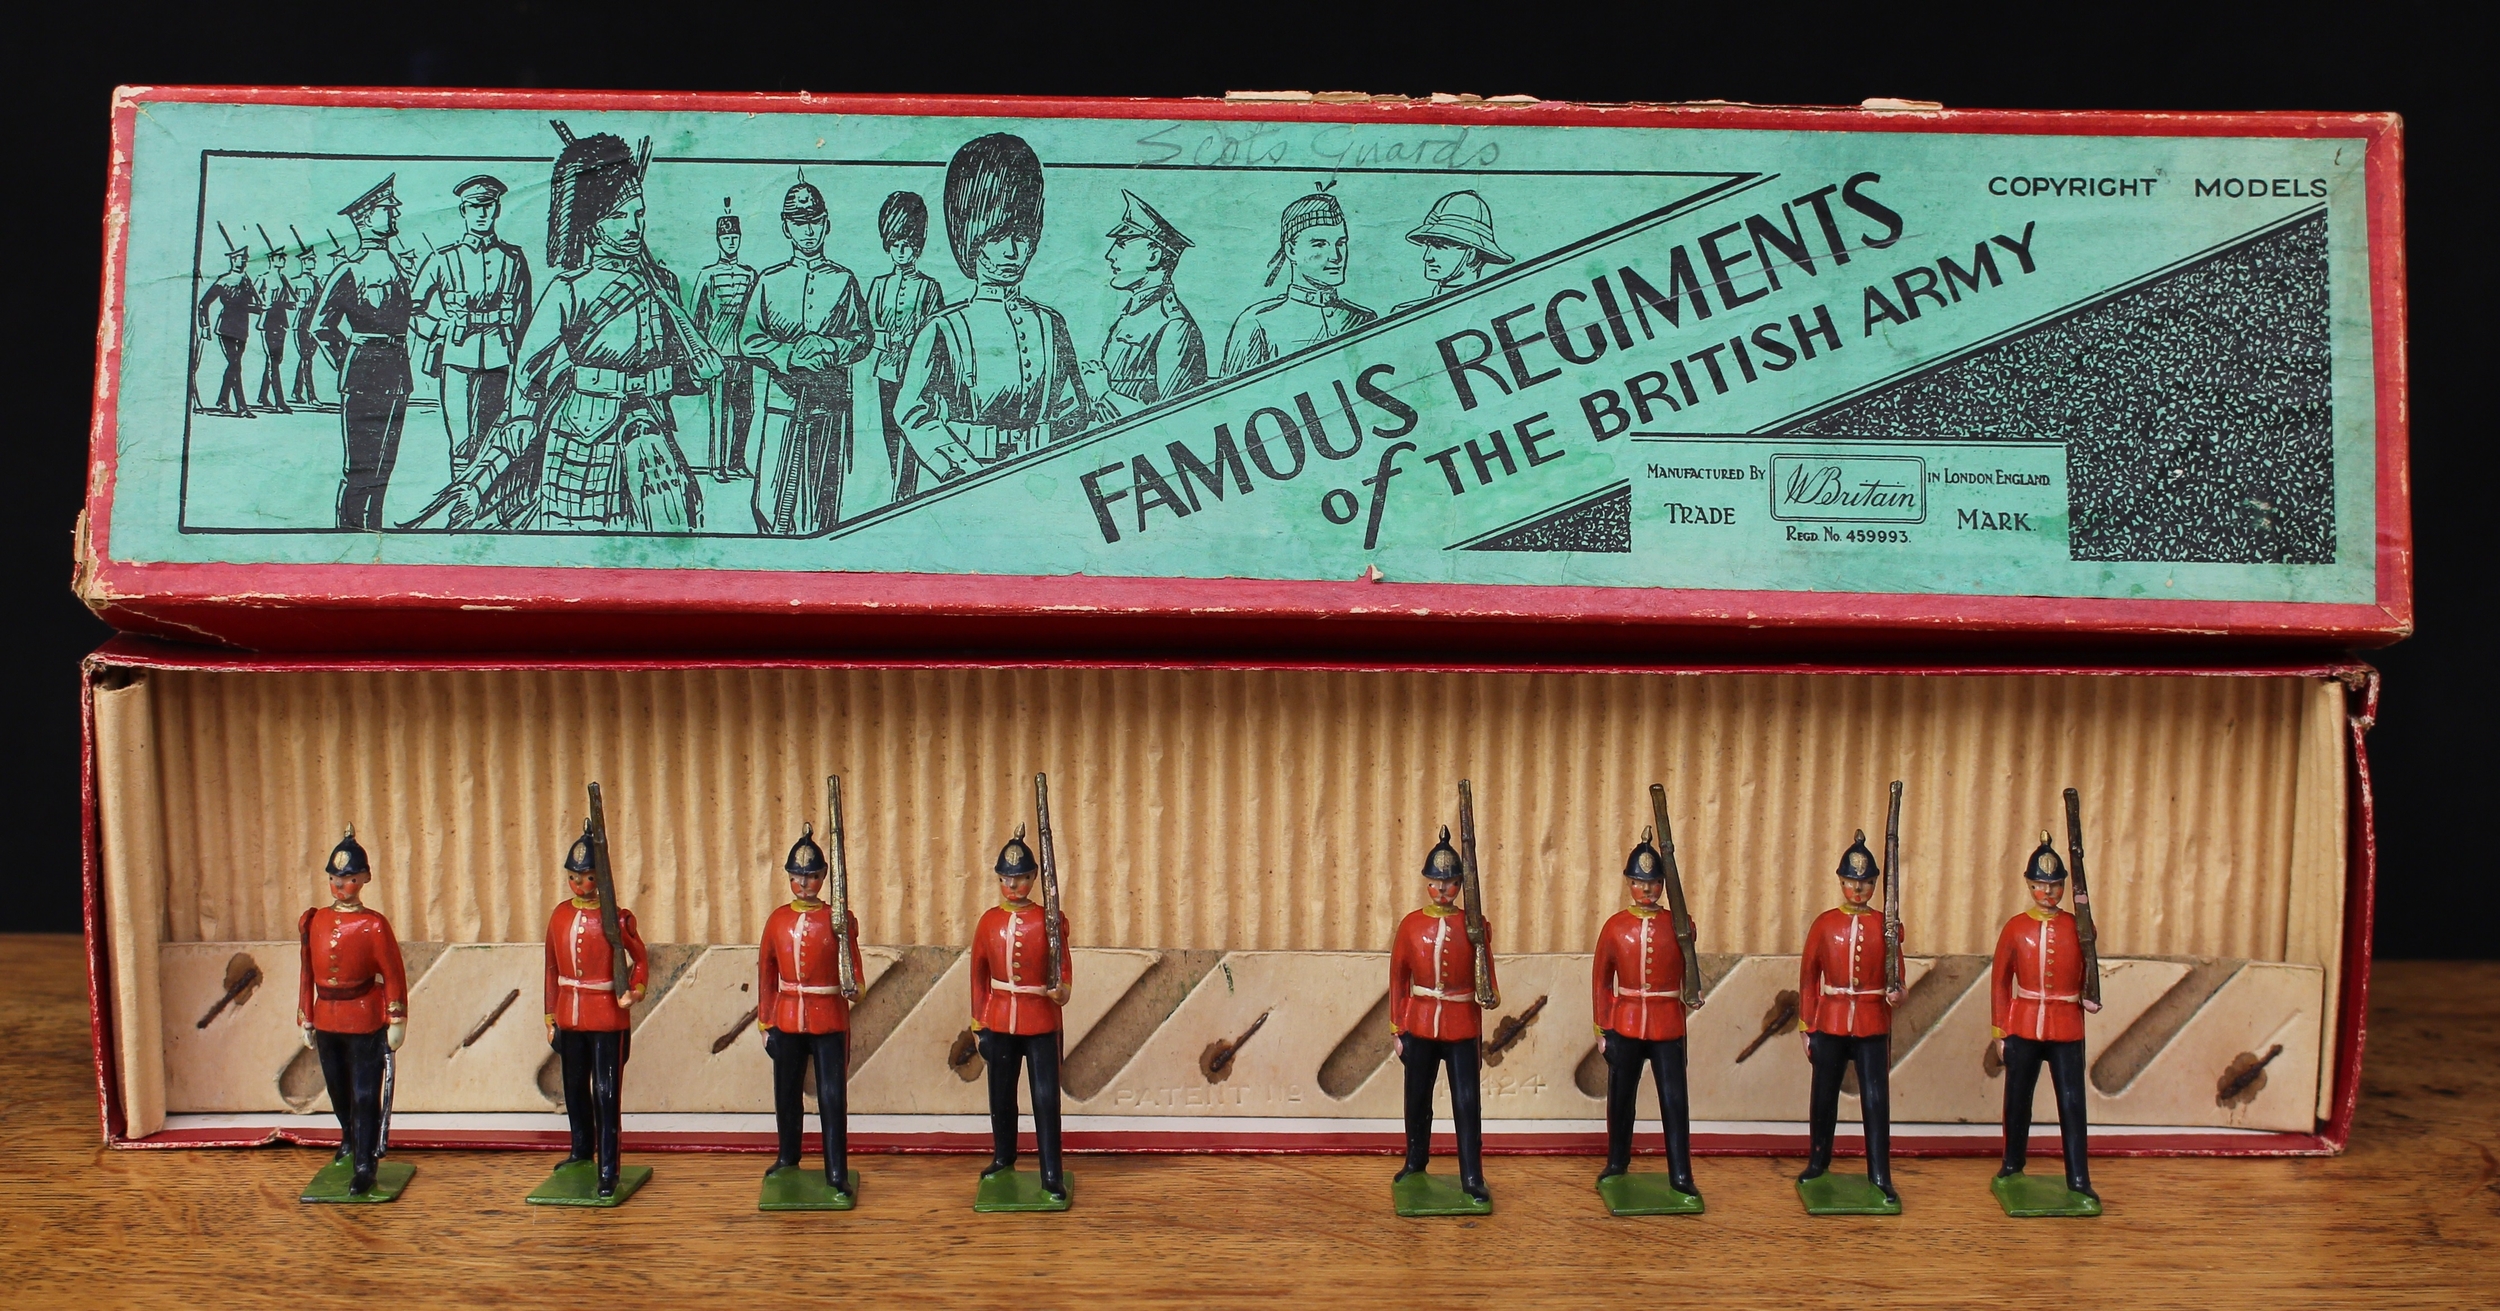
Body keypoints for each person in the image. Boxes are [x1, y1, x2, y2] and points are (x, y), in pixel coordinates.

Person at [451, 126, 720, 532]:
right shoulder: (568, 289)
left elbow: (679, 370)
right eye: (618, 217)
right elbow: (528, 377)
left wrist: (694, 375)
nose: (633, 228)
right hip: (582, 435)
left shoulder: (661, 284)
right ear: (591, 223)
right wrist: (517, 431)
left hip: (648, 429)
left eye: (638, 215)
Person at [895, 134, 1091, 482]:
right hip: (966, 477)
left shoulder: (1050, 323)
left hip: (1042, 477)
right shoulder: (944, 328)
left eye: (1023, 236)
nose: (1013, 252)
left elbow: (1074, 409)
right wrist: (956, 469)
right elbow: (912, 412)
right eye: (998, 237)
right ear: (972, 237)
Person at [744, 178, 871, 535]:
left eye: (814, 221)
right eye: (799, 223)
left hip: (827, 406)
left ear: (826, 223)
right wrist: (788, 355)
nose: (808, 231)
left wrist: (829, 346)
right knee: (770, 501)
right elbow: (749, 338)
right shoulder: (769, 280)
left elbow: (862, 337)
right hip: (782, 405)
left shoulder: (844, 280)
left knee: (820, 501)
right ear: (786, 227)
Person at [1388, 827, 1498, 1203]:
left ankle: (1471, 1174)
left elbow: (1487, 980)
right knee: (1417, 1100)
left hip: (1461, 1025)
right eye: (1436, 883)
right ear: (1427, 883)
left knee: (1467, 1103)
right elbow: (1399, 978)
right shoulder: (1411, 925)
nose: (1443, 890)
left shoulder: (1473, 925)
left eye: (1451, 883)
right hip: (1419, 1024)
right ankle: (1415, 1162)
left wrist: (1488, 988)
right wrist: (1397, 1027)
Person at [295, 828, 407, 1197]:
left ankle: (365, 1164)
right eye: (335, 878)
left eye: (349, 878)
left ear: (364, 880)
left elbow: (392, 973)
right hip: (326, 1015)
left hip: (363, 1016)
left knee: (363, 1093)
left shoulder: (374, 924)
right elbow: (307, 971)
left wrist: (396, 1017)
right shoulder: (314, 921)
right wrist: (304, 1015)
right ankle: (348, 1136)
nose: (341, 886)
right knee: (337, 1088)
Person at [1796, 831, 1906, 1203]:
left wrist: (1897, 992)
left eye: (1866, 883)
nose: (1858, 889)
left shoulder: (1885, 927)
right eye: (1852, 882)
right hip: (1830, 1021)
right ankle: (1817, 1162)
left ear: (1875, 884)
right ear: (1841, 881)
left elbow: (1899, 980)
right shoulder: (1825, 924)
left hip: (1872, 1023)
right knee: (1823, 1097)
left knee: (1876, 1101)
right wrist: (1807, 1024)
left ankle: (1879, 1172)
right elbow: (1809, 978)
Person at [756, 823, 864, 1196]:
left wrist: (854, 985)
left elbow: (854, 971)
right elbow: (767, 972)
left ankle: (836, 1170)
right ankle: (788, 1156)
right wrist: (766, 1020)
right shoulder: (777, 920)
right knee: (786, 1093)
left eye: (812, 876)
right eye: (798, 876)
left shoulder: (837, 919)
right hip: (786, 1019)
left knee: (832, 1098)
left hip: (828, 1018)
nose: (805, 884)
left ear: (823, 877)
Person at [543, 819, 650, 1199]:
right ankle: (580, 1149)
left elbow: (640, 961)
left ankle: (609, 1166)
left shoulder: (617, 917)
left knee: (606, 1093)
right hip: (570, 1014)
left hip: (606, 1016)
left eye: (587, 877)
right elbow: (551, 969)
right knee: (573, 1088)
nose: (579, 884)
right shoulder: (559, 915)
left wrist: (634, 992)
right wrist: (549, 1016)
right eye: (574, 877)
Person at [1992, 835, 2102, 1201]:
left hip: (2067, 1025)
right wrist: (2000, 1028)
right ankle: (2012, 1162)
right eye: (2040, 885)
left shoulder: (2077, 926)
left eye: (2054, 886)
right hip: (2024, 1024)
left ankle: (2078, 1176)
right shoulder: (2015, 928)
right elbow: (2000, 981)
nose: (2047, 893)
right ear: (2029, 885)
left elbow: (2089, 963)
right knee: (2017, 1098)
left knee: (2071, 1103)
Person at [1590, 829, 1700, 1195]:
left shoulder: (1680, 925)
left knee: (1674, 1101)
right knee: (1621, 1100)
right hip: (1626, 1023)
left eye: (1654, 883)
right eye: (1640, 882)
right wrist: (1603, 1027)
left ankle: (1680, 1172)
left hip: (1668, 1024)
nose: (1648, 890)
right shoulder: (1615, 927)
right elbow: (1602, 981)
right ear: (1629, 883)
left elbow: (1689, 965)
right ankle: (1617, 1161)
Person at [967, 826, 1072, 1199]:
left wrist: (1061, 989)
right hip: (999, 1020)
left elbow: (1062, 970)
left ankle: (1050, 1172)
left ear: (1032, 878)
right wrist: (980, 1021)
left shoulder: (1049, 920)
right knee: (1001, 1094)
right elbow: (979, 974)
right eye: (1006, 879)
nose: (1013, 886)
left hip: (1040, 1019)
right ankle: (1003, 1157)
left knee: (1045, 1098)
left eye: (1021, 878)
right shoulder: (988, 922)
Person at [410, 174, 532, 482]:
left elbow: (524, 313)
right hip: (457, 358)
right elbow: (412, 310)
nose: (481, 213)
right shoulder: (443, 258)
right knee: (462, 442)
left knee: (493, 436)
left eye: (487, 206)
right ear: (463, 211)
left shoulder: (513, 258)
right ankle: (457, 497)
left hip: (500, 358)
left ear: (497, 210)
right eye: (474, 207)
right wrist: (440, 331)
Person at [311, 177, 415, 528]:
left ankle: (374, 534)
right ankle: (350, 536)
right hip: (364, 377)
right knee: (359, 467)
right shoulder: (351, 269)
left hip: (397, 375)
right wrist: (351, 363)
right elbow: (321, 326)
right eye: (388, 207)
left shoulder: (395, 264)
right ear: (366, 218)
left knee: (384, 466)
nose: (396, 211)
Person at [1221, 186, 1376, 376]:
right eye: (1319, 244)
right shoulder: (1257, 323)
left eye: (1341, 243)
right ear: (1291, 250)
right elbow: (1237, 401)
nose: (1336, 256)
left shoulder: (1364, 319)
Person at [1082, 189, 1206, 419]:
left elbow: (1175, 421)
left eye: (1122, 244)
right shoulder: (1133, 314)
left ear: (1153, 255)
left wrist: (1102, 394)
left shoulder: (1174, 326)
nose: (1110, 255)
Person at [864, 192, 944, 501]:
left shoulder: (929, 286)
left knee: (911, 425)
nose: (901, 250)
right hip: (887, 369)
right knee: (889, 429)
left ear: (917, 247)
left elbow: (937, 334)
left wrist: (911, 342)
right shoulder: (879, 285)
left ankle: (906, 490)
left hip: (916, 372)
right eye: (895, 243)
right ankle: (898, 478)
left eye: (907, 244)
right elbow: (867, 329)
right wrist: (888, 340)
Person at [690, 199, 759, 477]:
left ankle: (736, 461)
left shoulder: (750, 274)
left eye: (735, 237)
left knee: (746, 410)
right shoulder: (708, 274)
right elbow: (696, 317)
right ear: (718, 240)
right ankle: (717, 465)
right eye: (726, 237)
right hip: (717, 353)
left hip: (743, 354)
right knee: (720, 412)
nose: (731, 242)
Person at [1392, 190, 1512, 313]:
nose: (1427, 257)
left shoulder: (1498, 309)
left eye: (1439, 247)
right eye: (1428, 245)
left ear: (1471, 254)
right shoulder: (1404, 313)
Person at [196, 234, 255, 416]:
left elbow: (250, 305)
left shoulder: (247, 281)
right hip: (227, 327)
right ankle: (242, 407)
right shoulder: (223, 280)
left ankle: (223, 400)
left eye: (244, 259)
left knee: (234, 365)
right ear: (232, 260)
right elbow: (203, 304)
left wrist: (263, 308)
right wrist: (204, 326)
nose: (242, 261)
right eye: (238, 258)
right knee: (235, 364)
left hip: (242, 327)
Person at [252, 242, 296, 414]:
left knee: (276, 361)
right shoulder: (263, 278)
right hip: (267, 322)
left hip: (281, 322)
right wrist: (263, 306)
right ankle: (280, 401)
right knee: (273, 362)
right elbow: (251, 301)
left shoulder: (284, 278)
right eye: (280, 257)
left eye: (284, 257)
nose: (284, 259)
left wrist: (291, 304)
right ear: (271, 259)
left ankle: (263, 396)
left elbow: (292, 301)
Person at [288, 242, 324, 405]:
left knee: (307, 358)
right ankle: (311, 396)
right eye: (311, 260)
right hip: (302, 323)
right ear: (304, 261)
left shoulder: (318, 281)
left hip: (314, 324)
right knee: (306, 358)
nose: (314, 262)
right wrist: (298, 304)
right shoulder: (295, 282)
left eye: (314, 260)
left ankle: (297, 392)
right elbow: (289, 303)